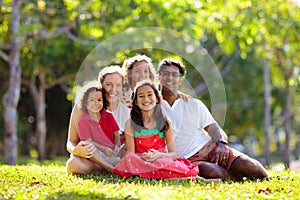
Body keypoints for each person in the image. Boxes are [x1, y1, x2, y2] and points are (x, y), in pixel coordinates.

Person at [157, 58, 268, 181]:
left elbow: (214, 128)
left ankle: (268, 178)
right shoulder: (150, 105)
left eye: (175, 75)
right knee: (210, 171)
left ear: (181, 79)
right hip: (187, 159)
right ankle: (237, 180)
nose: (170, 78)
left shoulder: (193, 104)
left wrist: (221, 143)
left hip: (211, 148)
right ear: (159, 77)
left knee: (248, 165)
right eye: (166, 74)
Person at [113, 80, 199, 179]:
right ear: (136, 102)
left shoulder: (165, 122)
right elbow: (131, 153)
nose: (146, 99)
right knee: (129, 159)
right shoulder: (130, 124)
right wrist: (144, 157)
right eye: (141, 96)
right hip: (141, 161)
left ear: (157, 99)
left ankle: (157, 174)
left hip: (160, 160)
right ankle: (169, 176)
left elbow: (173, 154)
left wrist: (159, 155)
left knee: (164, 162)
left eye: (150, 95)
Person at [66, 65, 130, 175]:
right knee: (73, 164)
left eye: (118, 85)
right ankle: (106, 169)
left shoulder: (128, 109)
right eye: (108, 84)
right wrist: (75, 150)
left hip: (115, 156)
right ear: (101, 85)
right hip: (92, 157)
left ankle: (101, 169)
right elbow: (71, 142)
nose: (113, 90)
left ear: (122, 87)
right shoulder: (82, 108)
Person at [76, 81, 121, 167]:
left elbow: (116, 135)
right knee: (88, 147)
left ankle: (120, 164)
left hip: (112, 151)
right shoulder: (83, 121)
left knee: (126, 147)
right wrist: (104, 149)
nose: (96, 103)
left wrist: (117, 146)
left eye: (99, 100)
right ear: (85, 102)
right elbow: (89, 141)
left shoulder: (109, 116)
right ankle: (108, 167)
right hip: (98, 152)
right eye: (92, 100)